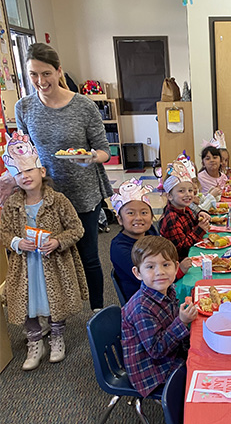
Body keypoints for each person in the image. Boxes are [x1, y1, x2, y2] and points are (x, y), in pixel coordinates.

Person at [15, 43, 112, 312]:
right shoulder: (24, 107)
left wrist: (91, 157)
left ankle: (97, 309)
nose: (40, 81)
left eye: (46, 73)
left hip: (83, 191)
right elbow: (26, 152)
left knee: (89, 255)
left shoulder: (83, 106)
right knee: (49, 256)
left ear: (59, 71)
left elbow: (104, 149)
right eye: (33, 74)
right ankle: (57, 316)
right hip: (45, 195)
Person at [0, 136, 88, 370]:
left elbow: (77, 228)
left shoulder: (58, 201)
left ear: (42, 170)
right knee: (27, 302)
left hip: (54, 263)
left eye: (29, 170)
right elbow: (4, 232)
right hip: (25, 265)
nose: (25, 176)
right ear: (14, 178)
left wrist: (58, 241)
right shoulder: (12, 204)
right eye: (19, 173)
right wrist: (17, 242)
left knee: (54, 300)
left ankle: (57, 336)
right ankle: (34, 341)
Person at [121, 236, 197, 398]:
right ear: (138, 273)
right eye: (150, 267)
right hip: (152, 370)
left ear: (176, 268)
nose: (160, 272)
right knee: (200, 375)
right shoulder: (141, 308)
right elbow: (156, 350)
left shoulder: (166, 290)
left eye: (166, 264)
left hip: (169, 353)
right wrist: (182, 322)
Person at [109, 182, 191, 303]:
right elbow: (149, 278)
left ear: (152, 217)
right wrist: (178, 272)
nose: (138, 218)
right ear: (120, 219)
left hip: (163, 289)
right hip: (145, 301)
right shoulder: (119, 247)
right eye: (131, 213)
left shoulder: (150, 231)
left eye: (144, 213)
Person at [158, 161, 210, 261]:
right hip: (180, 262)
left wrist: (200, 220)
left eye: (190, 190)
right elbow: (181, 249)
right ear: (169, 196)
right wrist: (200, 229)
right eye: (181, 191)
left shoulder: (185, 208)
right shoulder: (172, 218)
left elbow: (191, 227)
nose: (188, 194)